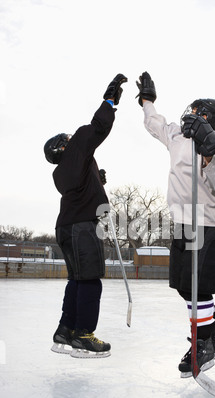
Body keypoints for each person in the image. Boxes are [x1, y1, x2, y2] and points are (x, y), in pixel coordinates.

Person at [136, 71, 215, 377]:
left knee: (198, 289)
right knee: (184, 288)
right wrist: (147, 101)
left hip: (205, 224)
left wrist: (207, 152)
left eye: (196, 111)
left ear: (208, 117)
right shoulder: (177, 136)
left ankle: (203, 343)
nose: (189, 114)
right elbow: (155, 124)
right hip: (181, 224)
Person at [44, 73, 127, 358]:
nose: (71, 136)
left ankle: (65, 329)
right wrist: (109, 101)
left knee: (76, 280)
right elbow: (97, 128)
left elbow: (81, 187)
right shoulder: (77, 146)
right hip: (82, 229)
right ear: (63, 146)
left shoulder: (60, 173)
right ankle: (83, 335)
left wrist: (95, 180)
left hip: (66, 228)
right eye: (66, 138)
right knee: (90, 280)